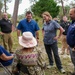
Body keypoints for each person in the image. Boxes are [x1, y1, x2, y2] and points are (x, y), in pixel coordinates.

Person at [67, 7, 75, 75]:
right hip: (71, 46)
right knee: (73, 60)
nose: (70, 15)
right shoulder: (72, 23)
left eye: (71, 14)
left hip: (74, 47)